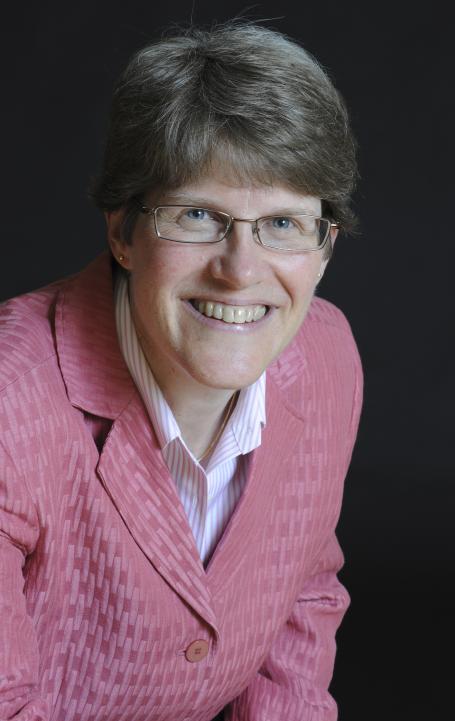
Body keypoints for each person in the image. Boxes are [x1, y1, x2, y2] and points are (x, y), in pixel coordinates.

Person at [0, 21, 363, 721]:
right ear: (122, 230)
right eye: (199, 214)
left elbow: (300, 598)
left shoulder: (325, 358)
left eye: (283, 223)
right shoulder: (12, 405)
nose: (240, 271)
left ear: (325, 247)